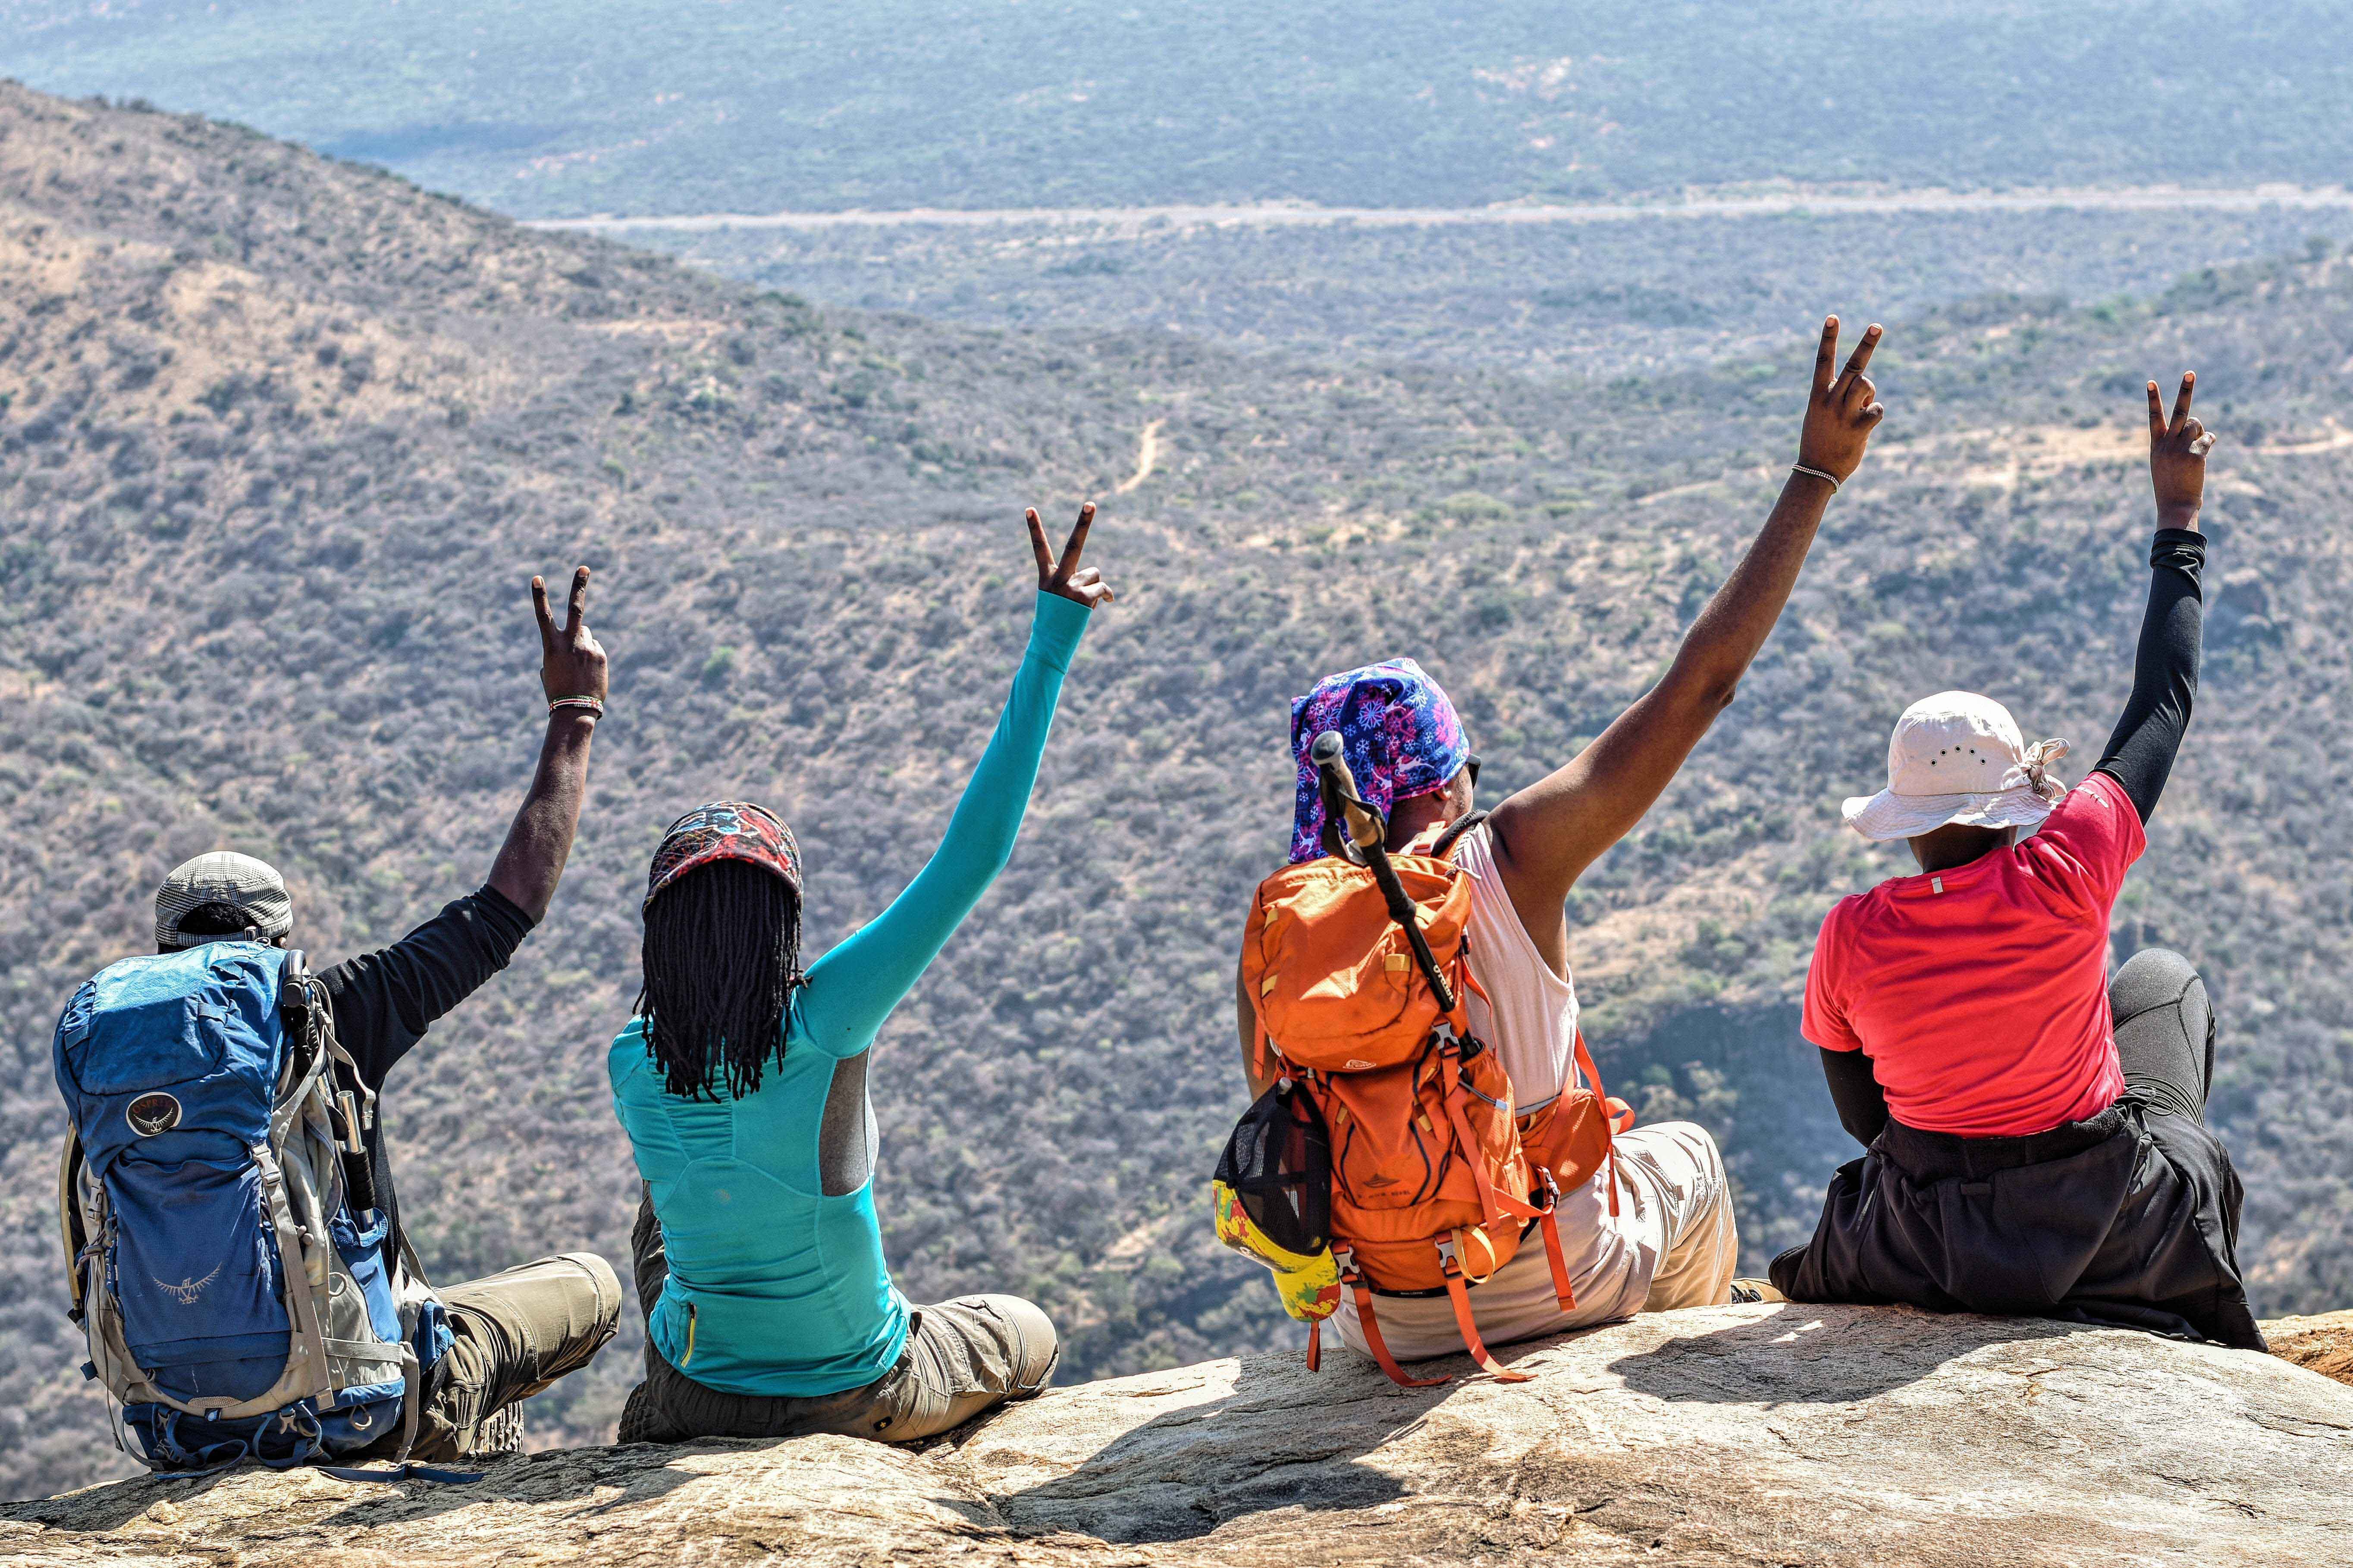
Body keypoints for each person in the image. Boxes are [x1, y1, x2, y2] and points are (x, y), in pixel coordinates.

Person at [1239, 317, 1889, 1364]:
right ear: (1444, 776)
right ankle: (1691, 1372)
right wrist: (1816, 475)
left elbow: (1289, 1139)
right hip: (1555, 1274)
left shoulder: (1283, 931)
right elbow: (1700, 687)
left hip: (1375, 1320)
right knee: (1687, 1156)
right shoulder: (1509, 859)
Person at [1771, 374, 2262, 1349]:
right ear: (2012, 804)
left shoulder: (1852, 936)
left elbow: (1869, 1123)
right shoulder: (2069, 862)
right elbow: (2163, 703)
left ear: (1903, 818)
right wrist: (2178, 516)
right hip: (2102, 1225)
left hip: (1923, 1241)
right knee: (2162, 982)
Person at [613, 505, 1113, 1446]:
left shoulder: (632, 1059)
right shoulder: (828, 1022)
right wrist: (1051, 641)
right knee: (1026, 1331)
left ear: (659, 939)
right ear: (783, 929)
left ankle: (664, 1403)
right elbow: (971, 858)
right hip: (853, 1391)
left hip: (698, 1393)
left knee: (659, 1216)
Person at [143, 567, 624, 1458]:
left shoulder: (116, 1073)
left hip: (179, 1431)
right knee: (590, 1286)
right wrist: (575, 713)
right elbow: (504, 910)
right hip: (358, 1415)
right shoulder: (330, 1018)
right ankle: (454, 1445)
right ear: (279, 942)